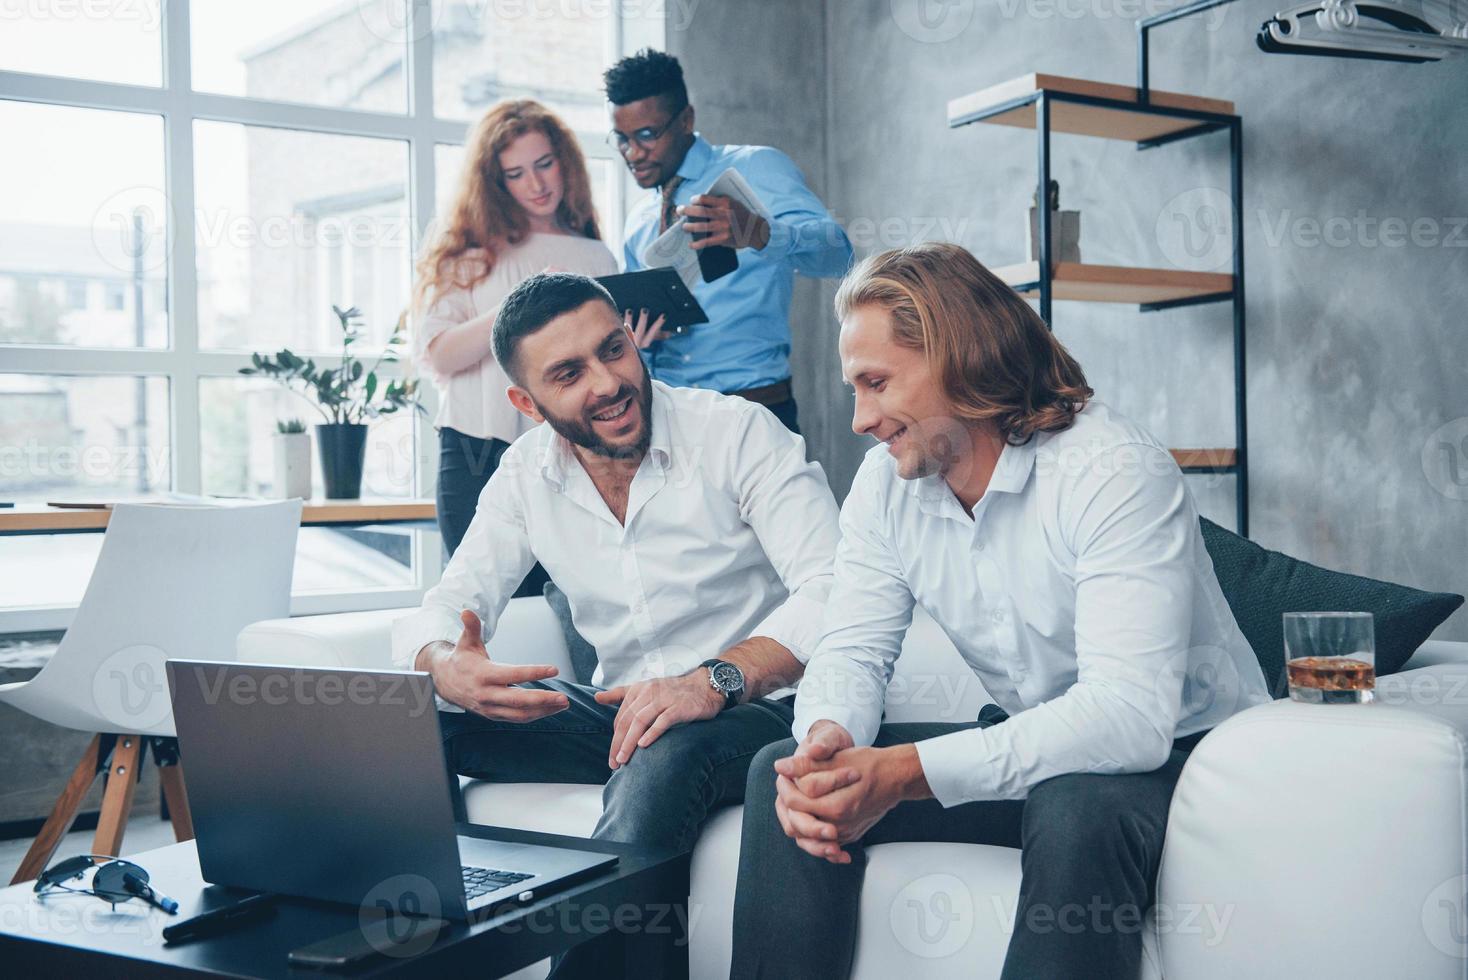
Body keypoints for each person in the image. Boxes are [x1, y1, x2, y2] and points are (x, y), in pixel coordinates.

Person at [730, 243, 1271, 979]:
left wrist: (906, 770)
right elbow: (852, 648)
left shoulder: (1111, 469)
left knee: (1077, 804)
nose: (859, 419)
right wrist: (829, 741)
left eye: (876, 382)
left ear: (959, 358)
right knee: (782, 774)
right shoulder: (887, 487)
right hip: (1043, 748)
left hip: (1183, 758)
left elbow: (1128, 718)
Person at [392, 272, 841, 969]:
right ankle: (412, 953)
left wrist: (713, 680)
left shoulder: (737, 433)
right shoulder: (523, 475)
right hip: (623, 711)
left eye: (613, 349)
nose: (607, 382)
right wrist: (446, 663)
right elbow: (446, 603)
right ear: (527, 402)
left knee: (662, 747)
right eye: (570, 373)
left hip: (762, 707)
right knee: (407, 723)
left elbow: (834, 590)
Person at [411, 99, 618, 585]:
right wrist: (516, 305)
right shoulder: (468, 254)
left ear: (564, 162)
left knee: (571, 606)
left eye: (545, 164)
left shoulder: (596, 254)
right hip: (474, 453)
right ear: (495, 182)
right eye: (516, 173)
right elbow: (440, 352)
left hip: (573, 454)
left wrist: (632, 344)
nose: (537, 183)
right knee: (480, 603)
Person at [603, 49, 854, 433]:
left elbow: (839, 255)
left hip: (753, 412)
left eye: (647, 135)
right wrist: (637, 338)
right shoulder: (638, 219)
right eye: (621, 139)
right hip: (667, 418)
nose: (632, 153)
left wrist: (760, 233)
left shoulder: (755, 167)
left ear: (686, 120)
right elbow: (635, 319)